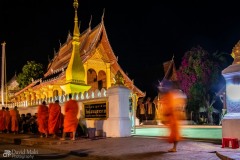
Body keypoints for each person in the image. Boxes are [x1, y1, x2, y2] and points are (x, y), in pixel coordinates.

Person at [158, 80, 186, 152]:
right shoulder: (171, 95)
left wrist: (165, 116)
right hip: (173, 117)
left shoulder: (171, 95)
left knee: (175, 134)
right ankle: (174, 147)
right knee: (174, 133)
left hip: (173, 117)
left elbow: (170, 107)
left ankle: (174, 148)